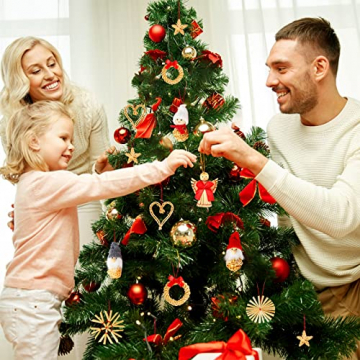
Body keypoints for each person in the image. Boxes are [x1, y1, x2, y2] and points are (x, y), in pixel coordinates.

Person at [199, 17, 360, 359]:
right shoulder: (280, 128)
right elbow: (289, 206)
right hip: (301, 289)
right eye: (270, 69)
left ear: (320, 67)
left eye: (281, 68)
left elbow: (342, 216)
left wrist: (254, 161)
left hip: (351, 285)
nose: (270, 81)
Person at [0, 100, 196, 360]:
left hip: (30, 299)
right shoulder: (47, 182)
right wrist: (161, 168)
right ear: (34, 141)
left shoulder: (33, 184)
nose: (71, 146)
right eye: (63, 137)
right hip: (33, 301)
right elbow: (102, 185)